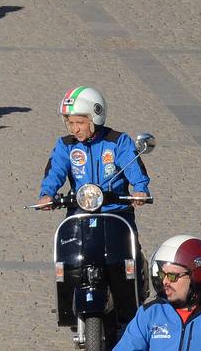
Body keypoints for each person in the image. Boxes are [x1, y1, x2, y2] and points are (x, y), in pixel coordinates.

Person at [38, 86, 151, 332]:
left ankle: (136, 294)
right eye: (70, 122)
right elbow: (55, 170)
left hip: (115, 210)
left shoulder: (117, 141)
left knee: (128, 252)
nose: (74, 128)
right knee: (70, 257)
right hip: (80, 211)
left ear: (96, 117)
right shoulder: (65, 145)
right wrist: (47, 194)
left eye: (80, 122)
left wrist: (140, 189)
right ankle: (70, 301)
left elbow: (133, 166)